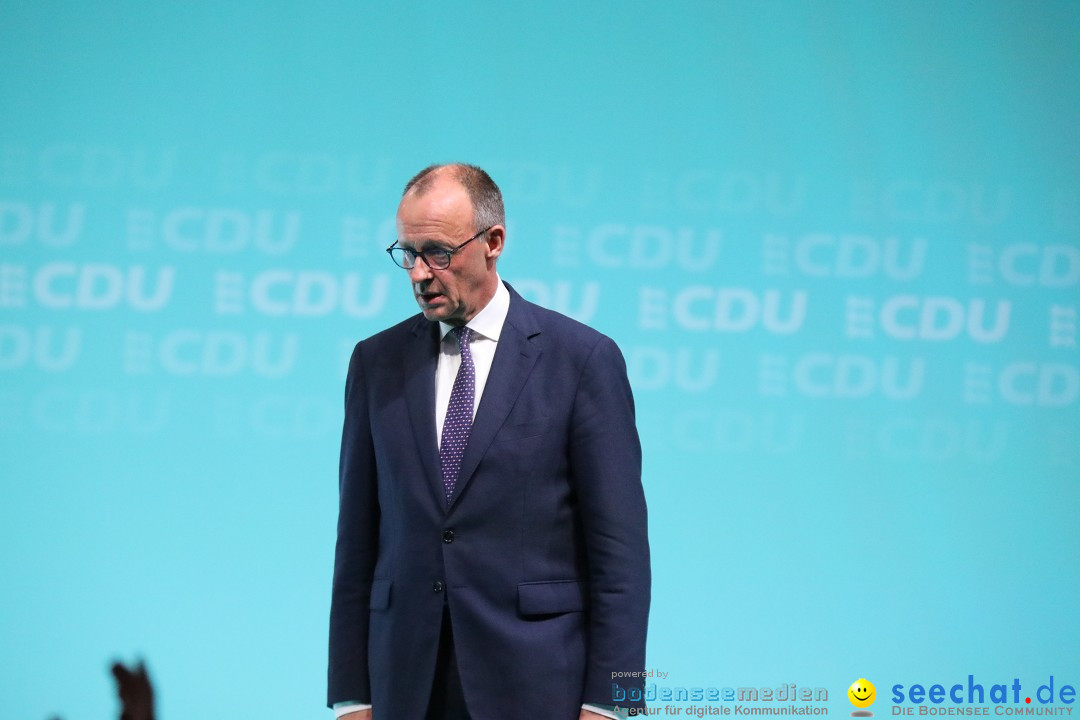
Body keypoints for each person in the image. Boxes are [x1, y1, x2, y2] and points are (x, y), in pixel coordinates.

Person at [327, 163, 650, 720]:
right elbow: (356, 540)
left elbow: (619, 555)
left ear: (493, 242)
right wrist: (352, 695)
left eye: (438, 253)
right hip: (405, 685)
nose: (419, 274)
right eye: (408, 253)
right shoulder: (375, 362)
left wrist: (611, 703)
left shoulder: (581, 360)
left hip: (538, 685)